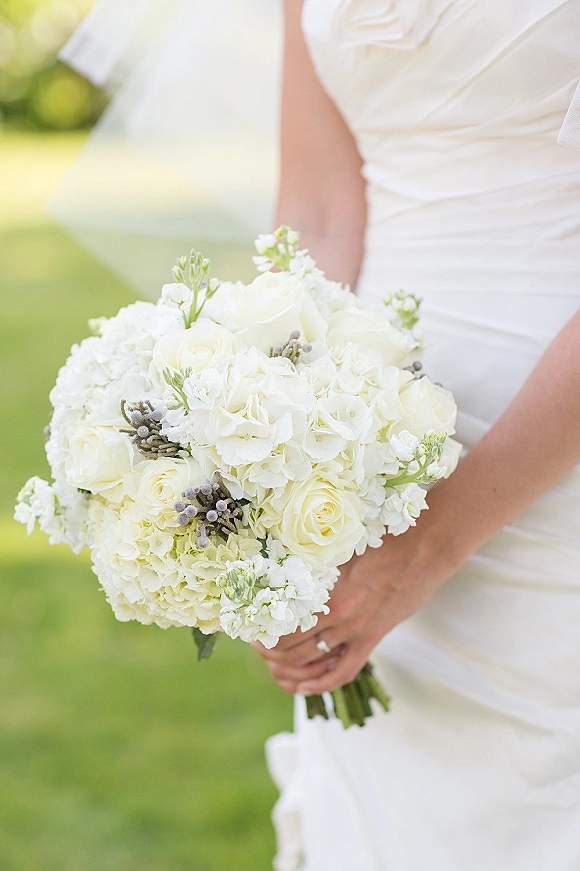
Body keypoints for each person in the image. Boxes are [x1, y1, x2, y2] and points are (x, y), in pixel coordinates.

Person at [255, 2, 580, 869]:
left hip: (558, 477)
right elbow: (319, 211)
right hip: (364, 472)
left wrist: (431, 543)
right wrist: (270, 467)